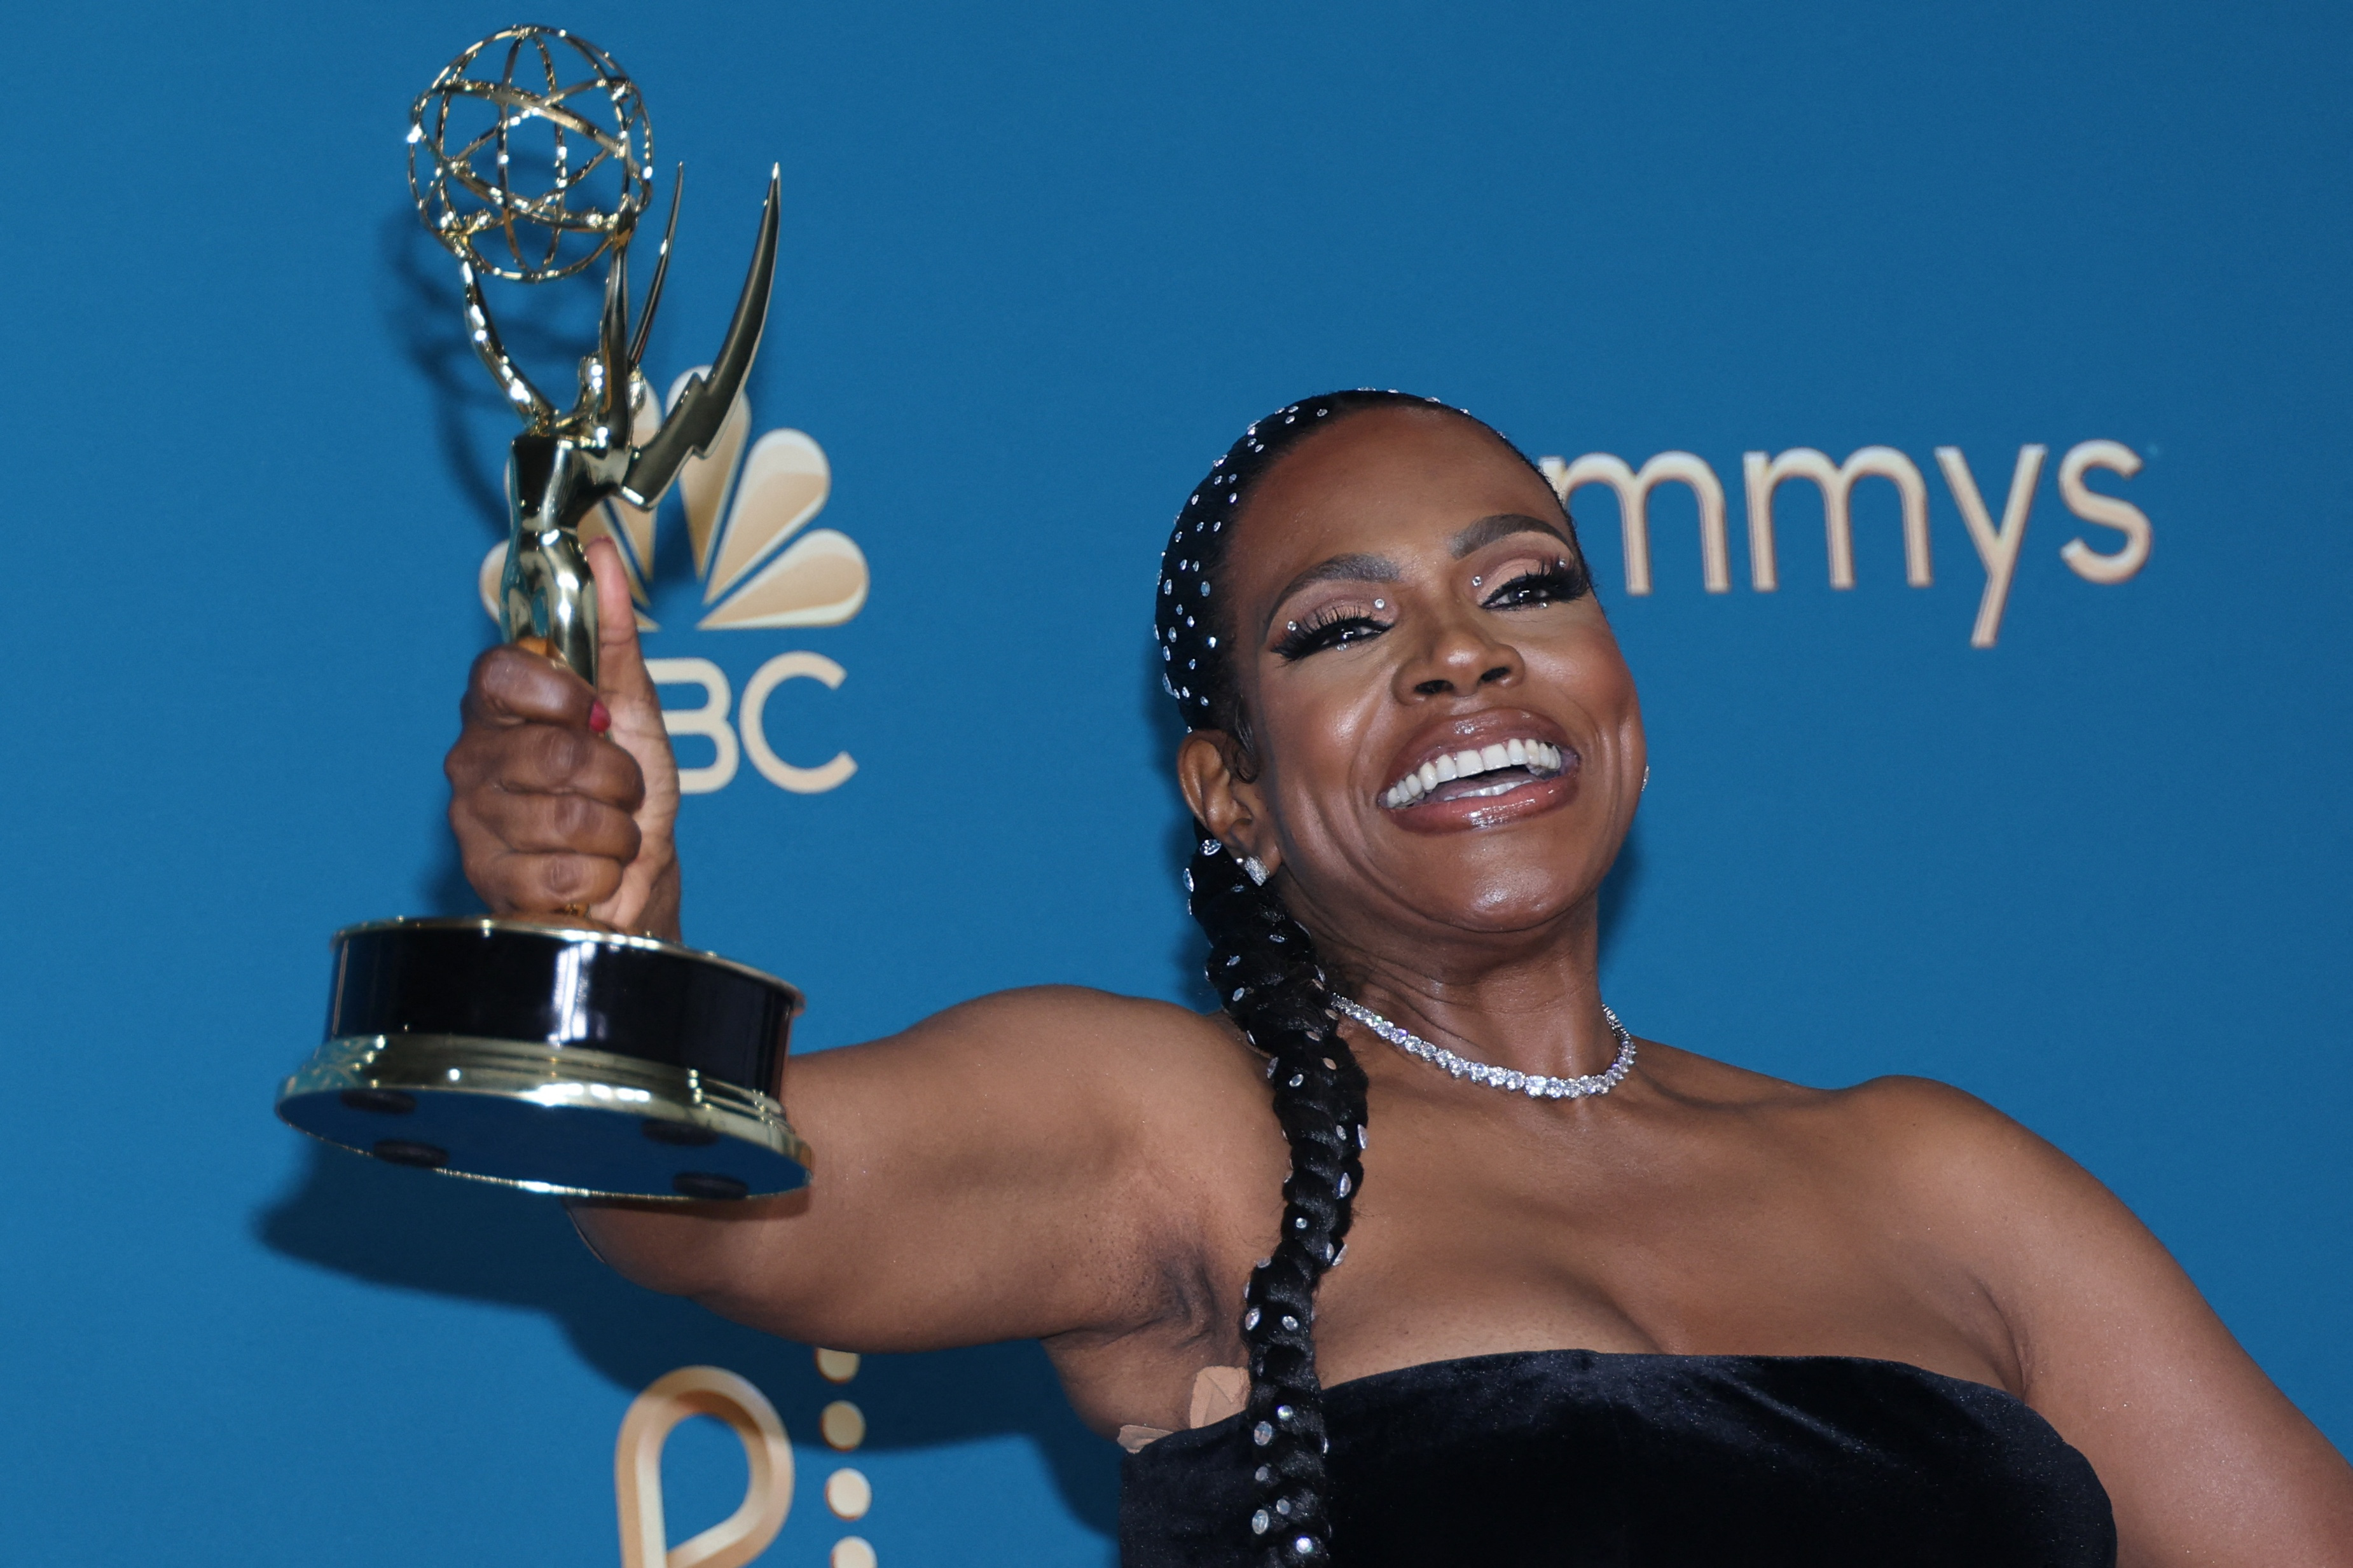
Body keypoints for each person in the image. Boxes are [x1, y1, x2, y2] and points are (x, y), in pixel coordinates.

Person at [446, 390, 2353, 1565]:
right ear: (1233, 797)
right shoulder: (1182, 1132)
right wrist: (609, 936)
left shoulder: (1944, 1175)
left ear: (1616, 685)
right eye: (1343, 627)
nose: (1461, 660)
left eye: (1525, 588)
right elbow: (698, 1208)